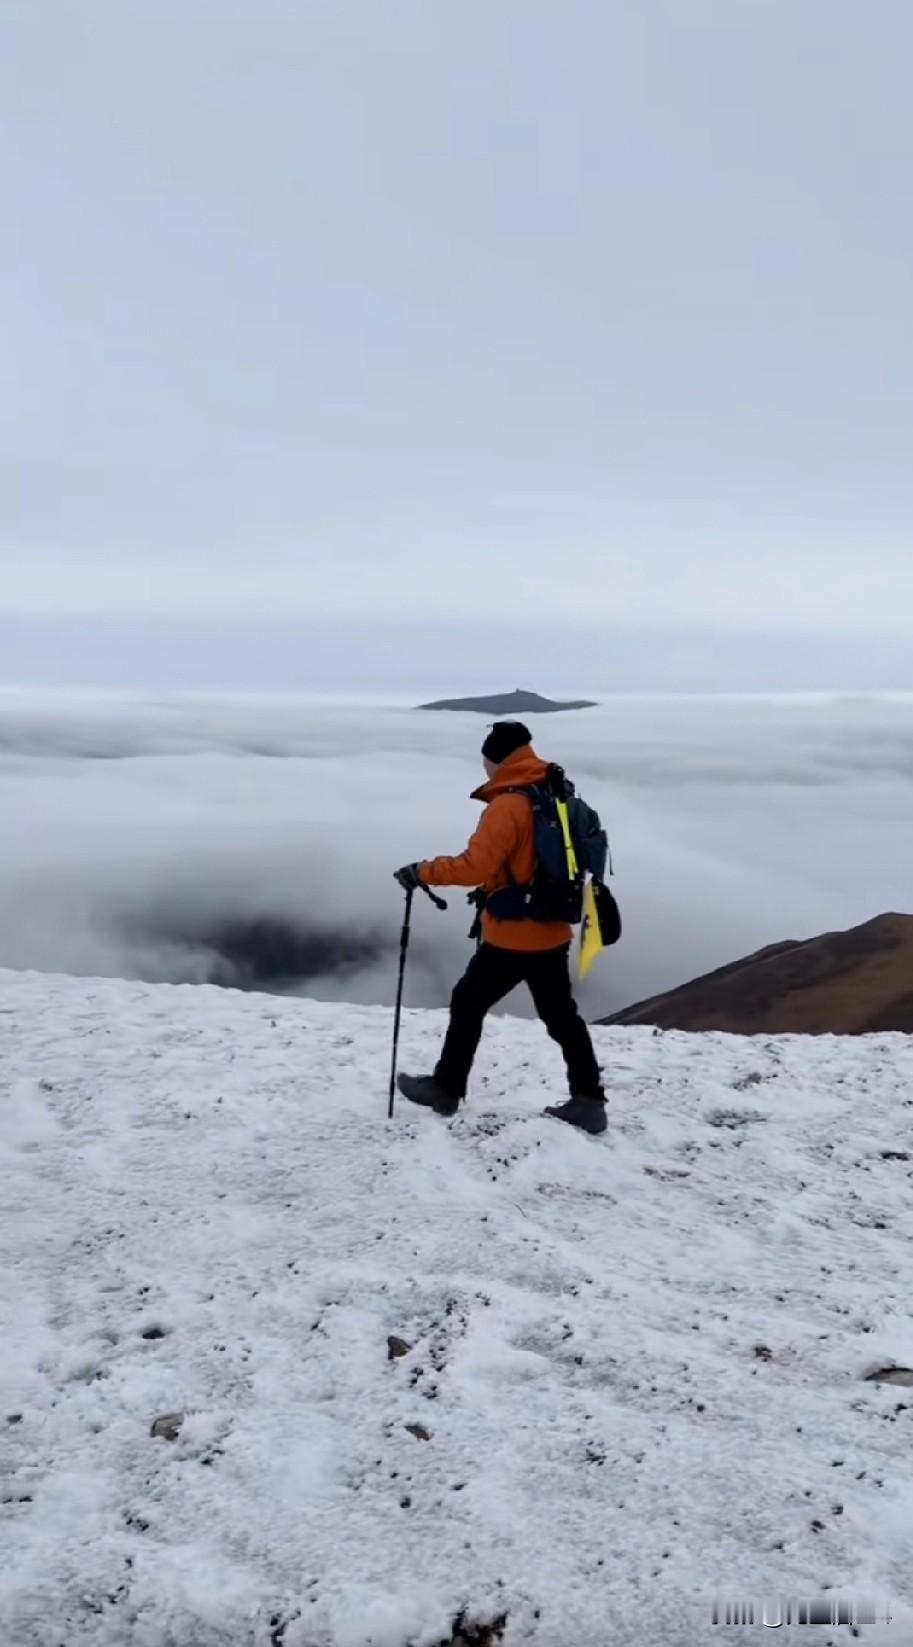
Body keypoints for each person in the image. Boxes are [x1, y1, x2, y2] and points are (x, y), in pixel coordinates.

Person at [394, 721, 607, 1134]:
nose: (486, 768)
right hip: (552, 928)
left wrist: (422, 872)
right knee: (562, 1017)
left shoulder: (508, 805)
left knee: (468, 1001)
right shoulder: (555, 790)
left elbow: (476, 866)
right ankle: (589, 1100)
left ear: (497, 758)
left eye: (487, 760)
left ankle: (446, 1088)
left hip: (512, 935)